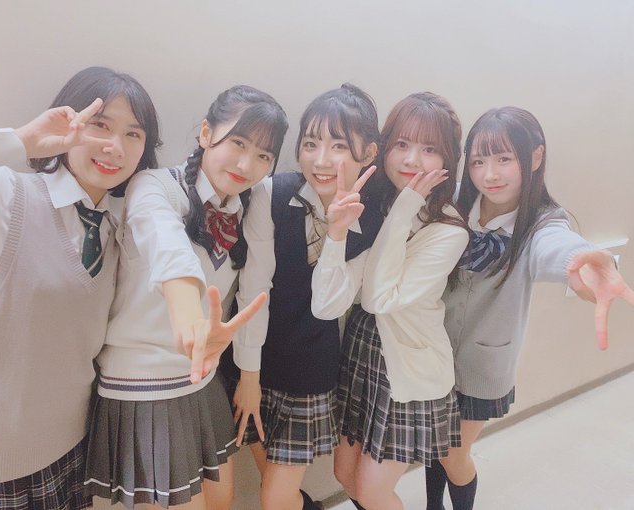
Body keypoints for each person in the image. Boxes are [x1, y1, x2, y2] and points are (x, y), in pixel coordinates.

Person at [0, 66, 161, 510]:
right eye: (100, 125)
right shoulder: (4, 197)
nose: (115, 146)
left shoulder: (121, 229)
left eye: (133, 134)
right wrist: (20, 142)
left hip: (71, 453)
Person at [84, 85, 288, 509]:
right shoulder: (153, 186)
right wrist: (189, 321)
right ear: (206, 133)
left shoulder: (247, 208)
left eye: (263, 155)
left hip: (202, 381)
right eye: (238, 143)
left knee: (223, 501)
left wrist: (248, 375)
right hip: (144, 386)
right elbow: (168, 247)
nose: (247, 164)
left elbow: (256, 287)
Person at [425, 106, 634, 510]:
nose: (490, 174)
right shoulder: (455, 203)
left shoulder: (541, 222)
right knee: (433, 442)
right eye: (478, 161)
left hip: (483, 367)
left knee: (453, 452)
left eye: (504, 159)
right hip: (433, 354)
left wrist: (582, 265)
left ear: (535, 157)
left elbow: (555, 246)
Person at [222, 83, 383, 510]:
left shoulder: (375, 219)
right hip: (252, 361)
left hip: (309, 373)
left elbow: (331, 305)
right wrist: (249, 377)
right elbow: (254, 287)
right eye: (310, 143)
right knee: (275, 486)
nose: (320, 160)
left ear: (369, 152)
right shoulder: (272, 193)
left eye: (339, 146)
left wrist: (338, 232)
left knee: (275, 496)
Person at [311, 92, 469, 510]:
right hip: (364, 350)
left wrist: (405, 207)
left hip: (410, 368)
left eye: (429, 149)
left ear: (448, 158)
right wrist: (338, 233)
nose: (412, 159)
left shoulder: (449, 229)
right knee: (345, 475)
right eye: (402, 143)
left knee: (372, 491)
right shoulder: (371, 205)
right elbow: (327, 304)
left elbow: (379, 297)